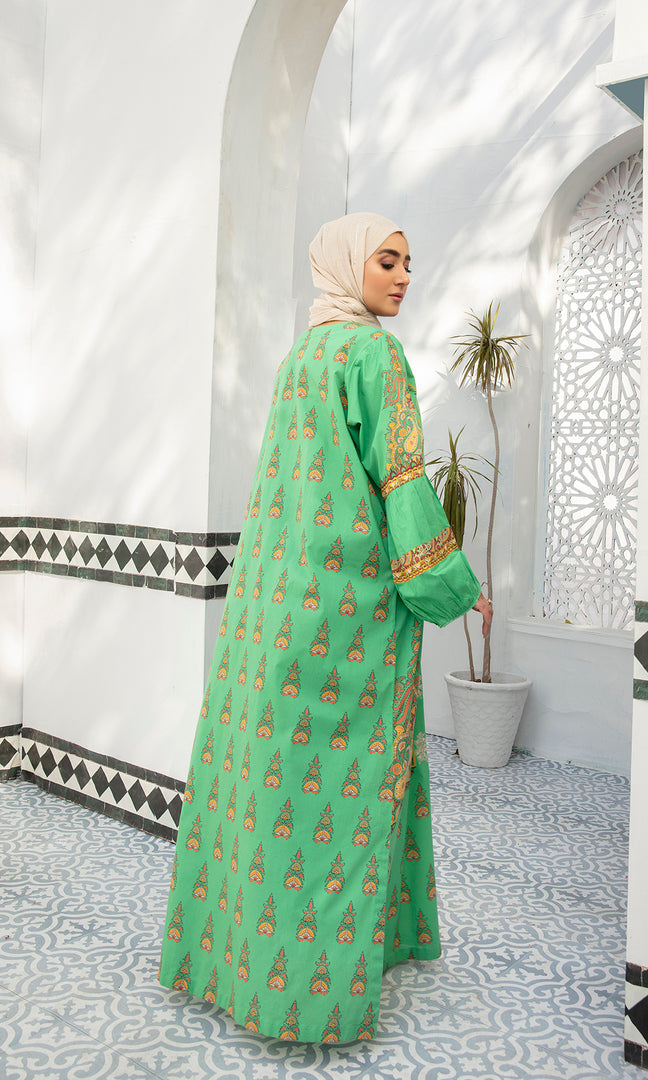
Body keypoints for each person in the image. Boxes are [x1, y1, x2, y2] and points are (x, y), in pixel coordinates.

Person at [158, 212, 492, 1043]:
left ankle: (233, 966)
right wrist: (457, 587)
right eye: (388, 261)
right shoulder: (374, 355)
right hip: (348, 612)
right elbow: (401, 483)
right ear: (349, 266)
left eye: (408, 263)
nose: (404, 277)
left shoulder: (301, 355)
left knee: (266, 786)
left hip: (274, 608)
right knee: (347, 787)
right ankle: (312, 1002)